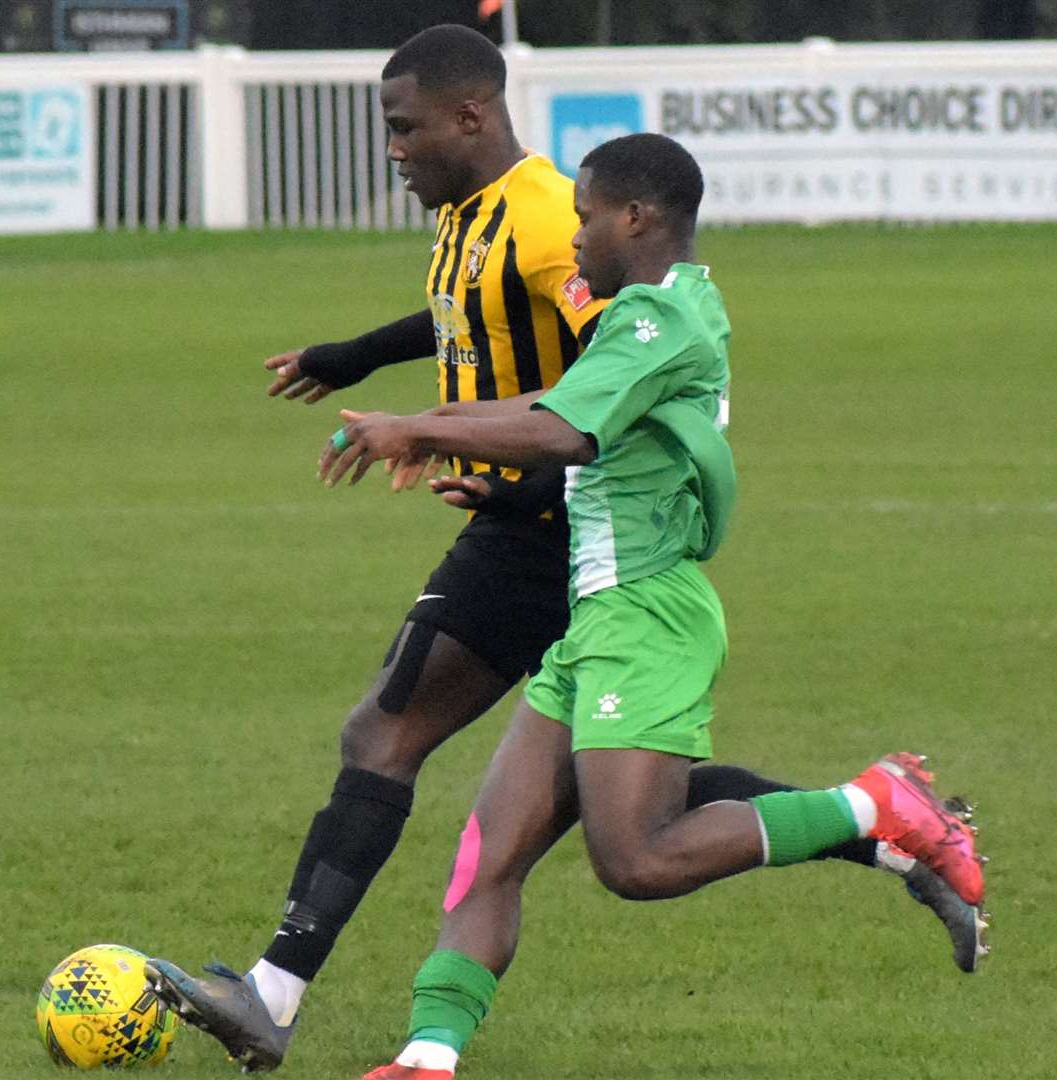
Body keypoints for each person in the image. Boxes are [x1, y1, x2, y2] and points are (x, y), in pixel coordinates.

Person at [143, 26, 984, 1074]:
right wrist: (356, 359)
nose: (393, 148)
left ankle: (274, 994)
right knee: (539, 820)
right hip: (565, 545)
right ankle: (423, 1056)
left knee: (498, 788)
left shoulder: (569, 242)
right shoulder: (482, 219)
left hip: (575, 549)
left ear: (472, 116)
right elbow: (477, 324)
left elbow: (591, 395)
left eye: (404, 128)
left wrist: (445, 437)